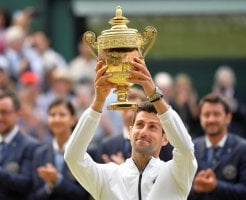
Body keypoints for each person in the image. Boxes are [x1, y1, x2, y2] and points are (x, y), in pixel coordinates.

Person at [64, 57, 197, 200]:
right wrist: (98, 102)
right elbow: (73, 157)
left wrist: (154, 94)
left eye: (153, 127)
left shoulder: (175, 174)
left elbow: (186, 149)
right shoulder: (107, 176)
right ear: (130, 131)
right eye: (139, 125)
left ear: (165, 139)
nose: (144, 131)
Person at [188, 93, 246, 200]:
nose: (211, 119)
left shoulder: (245, 148)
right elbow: (179, 191)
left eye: (216, 114)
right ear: (200, 117)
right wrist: (196, 189)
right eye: (206, 114)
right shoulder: (191, 148)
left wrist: (216, 186)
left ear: (228, 117)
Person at [30, 98, 89, 200]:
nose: (56, 119)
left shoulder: (85, 152)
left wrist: (58, 180)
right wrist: (49, 186)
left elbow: (85, 195)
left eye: (62, 115)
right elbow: (35, 195)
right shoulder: (40, 154)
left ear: (73, 119)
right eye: (52, 115)